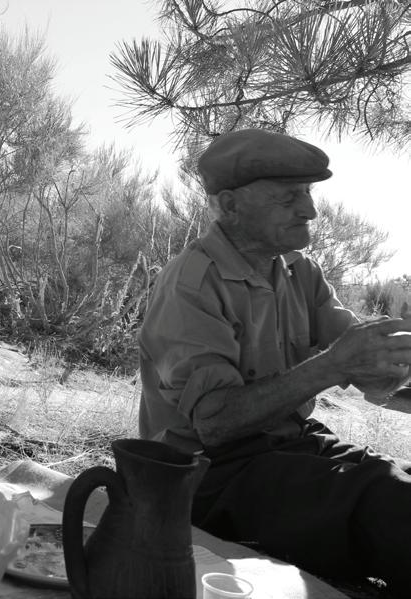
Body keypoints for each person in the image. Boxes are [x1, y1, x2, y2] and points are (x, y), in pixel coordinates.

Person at [138, 128, 411, 594]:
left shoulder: (297, 269)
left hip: (291, 449)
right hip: (210, 476)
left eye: (307, 193)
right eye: (288, 198)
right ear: (229, 205)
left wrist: (386, 362)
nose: (310, 210)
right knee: (393, 506)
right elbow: (216, 425)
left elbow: (366, 353)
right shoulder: (191, 284)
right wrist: (332, 366)